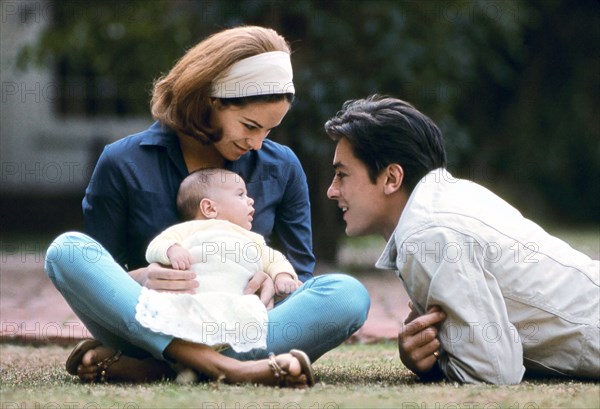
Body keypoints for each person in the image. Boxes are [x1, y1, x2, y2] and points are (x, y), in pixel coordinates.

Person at [44, 26, 369, 387]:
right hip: (150, 318)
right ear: (211, 100)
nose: (258, 144)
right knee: (67, 251)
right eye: (249, 125)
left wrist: (274, 285)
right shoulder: (123, 162)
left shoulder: (282, 167)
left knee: (348, 294)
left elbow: (301, 278)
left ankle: (161, 368)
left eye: (269, 131)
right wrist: (141, 277)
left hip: (239, 326)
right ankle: (230, 369)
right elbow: (102, 272)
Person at [324, 95, 599, 384]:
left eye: (342, 175)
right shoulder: (445, 201)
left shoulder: (427, 232)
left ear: (392, 178)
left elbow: (493, 372)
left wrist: (431, 365)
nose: (332, 191)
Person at [137, 168, 300, 357]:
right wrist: (172, 250)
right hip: (194, 300)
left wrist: (282, 275)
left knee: (254, 317)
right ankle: (189, 357)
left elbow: (275, 259)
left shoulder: (252, 239)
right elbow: (155, 246)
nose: (251, 200)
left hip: (238, 304)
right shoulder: (188, 230)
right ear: (209, 208)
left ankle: (215, 357)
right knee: (175, 318)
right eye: (241, 194)